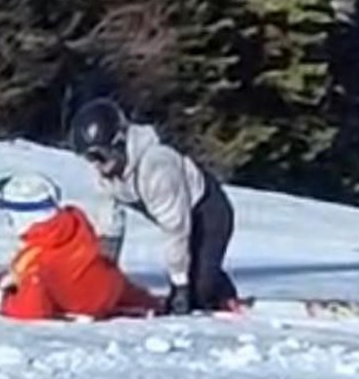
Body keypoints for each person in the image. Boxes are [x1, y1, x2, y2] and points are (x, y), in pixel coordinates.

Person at [68, 97, 238, 315]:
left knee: (198, 292)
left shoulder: (157, 166)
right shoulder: (107, 174)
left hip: (207, 211)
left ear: (119, 142)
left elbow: (176, 230)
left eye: (98, 155)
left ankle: (223, 296)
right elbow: (110, 224)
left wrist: (180, 287)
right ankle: (210, 282)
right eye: (88, 158)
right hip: (176, 217)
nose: (96, 165)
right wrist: (103, 275)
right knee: (194, 271)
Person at [0, 171, 161, 321]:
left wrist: (3, 302)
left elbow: (33, 311)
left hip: (87, 303)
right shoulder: (76, 225)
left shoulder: (38, 263)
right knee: (137, 299)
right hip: (108, 279)